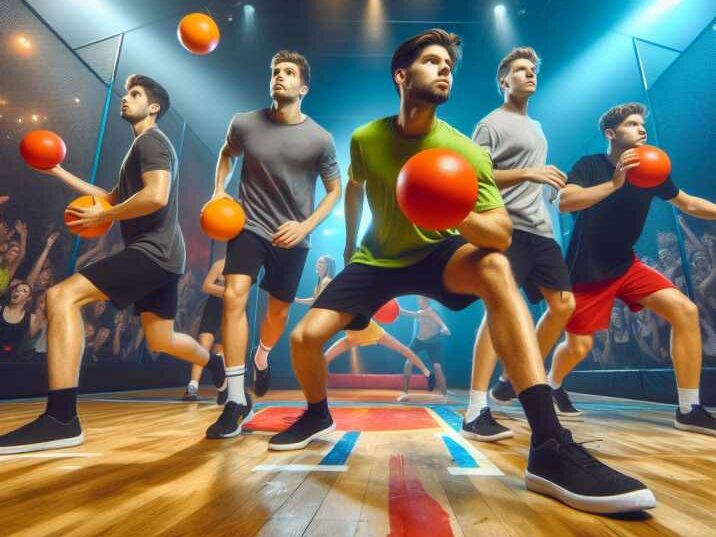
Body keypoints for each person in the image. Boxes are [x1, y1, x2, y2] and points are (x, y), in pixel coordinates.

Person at [268, 29, 655, 514]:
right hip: (375, 259)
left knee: (494, 265)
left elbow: (498, 232)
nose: (445, 68)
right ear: (402, 75)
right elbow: (354, 186)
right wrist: (349, 246)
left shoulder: (465, 152)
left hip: (437, 253)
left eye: (449, 63)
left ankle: (549, 444)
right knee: (304, 340)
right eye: (432, 61)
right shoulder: (366, 138)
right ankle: (317, 414)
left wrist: (448, 210)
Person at [0, 74, 226, 454]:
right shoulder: (140, 148)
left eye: (135, 94)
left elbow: (156, 196)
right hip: (167, 255)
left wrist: (105, 217)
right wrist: (58, 172)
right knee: (162, 338)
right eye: (126, 92)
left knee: (59, 298)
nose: (126, 98)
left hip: (153, 251)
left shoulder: (152, 142)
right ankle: (216, 369)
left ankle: (60, 419)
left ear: (153, 107)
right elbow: (107, 197)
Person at [548, 102, 716, 435]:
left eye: (643, 124)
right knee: (579, 347)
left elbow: (687, 203)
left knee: (684, 310)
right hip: (587, 270)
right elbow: (564, 201)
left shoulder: (654, 170)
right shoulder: (591, 165)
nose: (642, 129)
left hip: (626, 264)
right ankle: (553, 384)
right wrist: (614, 182)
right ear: (611, 134)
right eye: (633, 124)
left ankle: (688, 409)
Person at [206, 50, 341, 439]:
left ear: (303, 87)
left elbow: (333, 191)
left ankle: (261, 357)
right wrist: (218, 191)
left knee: (277, 314)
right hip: (248, 226)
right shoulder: (244, 123)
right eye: (275, 71)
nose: (279, 76)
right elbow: (226, 154)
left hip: (292, 236)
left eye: (288, 72)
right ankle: (235, 399)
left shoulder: (320, 138)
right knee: (234, 296)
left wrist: (306, 226)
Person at [462, 46, 575, 442]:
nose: (529, 75)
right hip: (507, 229)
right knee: (499, 311)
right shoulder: (490, 124)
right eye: (520, 70)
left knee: (564, 305)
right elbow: (476, 177)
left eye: (533, 70)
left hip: (542, 230)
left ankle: (511, 377)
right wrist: (530, 172)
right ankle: (476, 409)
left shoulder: (539, 127)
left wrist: (545, 188)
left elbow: (534, 180)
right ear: (503, 80)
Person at [296, 257, 436, 393]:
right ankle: (427, 373)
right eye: (317, 262)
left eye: (321, 262)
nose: (317, 264)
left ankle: (428, 373)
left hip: (362, 328)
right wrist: (297, 300)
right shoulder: (320, 284)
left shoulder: (327, 282)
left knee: (401, 349)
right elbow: (316, 300)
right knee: (326, 357)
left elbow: (324, 304)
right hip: (352, 331)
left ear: (328, 266)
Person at [182, 258, 226, 402]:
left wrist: (230, 292)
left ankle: (222, 390)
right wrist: (228, 290)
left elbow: (243, 294)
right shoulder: (219, 264)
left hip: (230, 312)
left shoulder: (244, 267)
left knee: (220, 354)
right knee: (203, 347)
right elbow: (206, 286)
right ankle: (192, 387)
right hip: (213, 309)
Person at [399, 296, 449, 399]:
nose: (418, 302)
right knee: (408, 362)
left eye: (420, 300)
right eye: (418, 300)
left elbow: (442, 324)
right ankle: (405, 393)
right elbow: (407, 313)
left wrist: (444, 329)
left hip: (433, 341)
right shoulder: (420, 312)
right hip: (419, 341)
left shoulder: (431, 312)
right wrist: (396, 308)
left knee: (437, 367)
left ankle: (445, 395)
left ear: (426, 301)